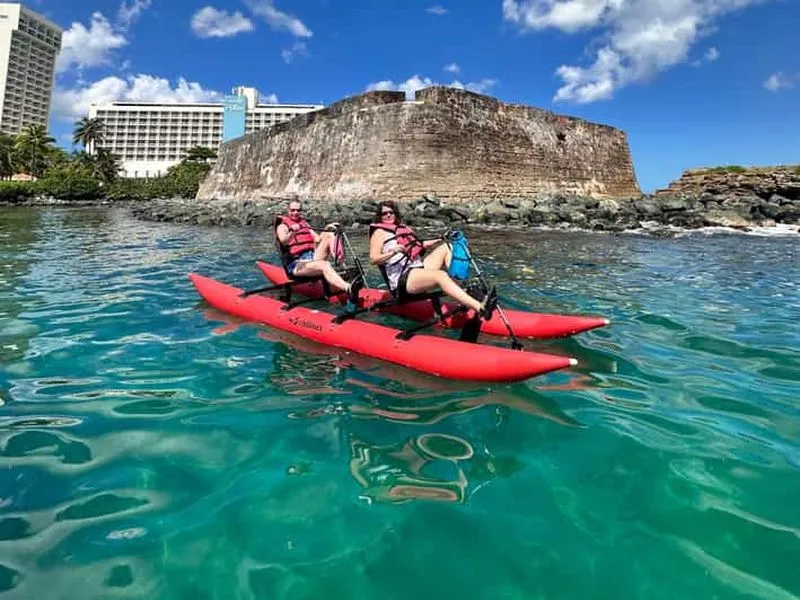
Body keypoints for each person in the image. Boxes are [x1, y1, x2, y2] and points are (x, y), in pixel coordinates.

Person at [368, 200, 497, 319]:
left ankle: (461, 288)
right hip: (403, 279)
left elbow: (420, 244)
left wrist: (442, 238)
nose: (388, 215)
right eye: (384, 213)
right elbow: (374, 259)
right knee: (440, 275)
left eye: (391, 212)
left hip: (416, 269)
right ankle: (480, 308)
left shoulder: (403, 228)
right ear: (379, 216)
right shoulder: (379, 233)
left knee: (447, 247)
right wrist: (392, 252)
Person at [275, 199, 363, 303]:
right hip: (296, 264)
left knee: (329, 235)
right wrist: (292, 232)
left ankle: (341, 264)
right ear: (288, 210)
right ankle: (348, 288)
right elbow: (284, 241)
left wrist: (328, 228)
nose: (295, 213)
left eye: (298, 210)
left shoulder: (304, 223)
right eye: (292, 210)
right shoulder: (282, 226)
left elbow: (317, 239)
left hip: (311, 258)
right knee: (324, 265)